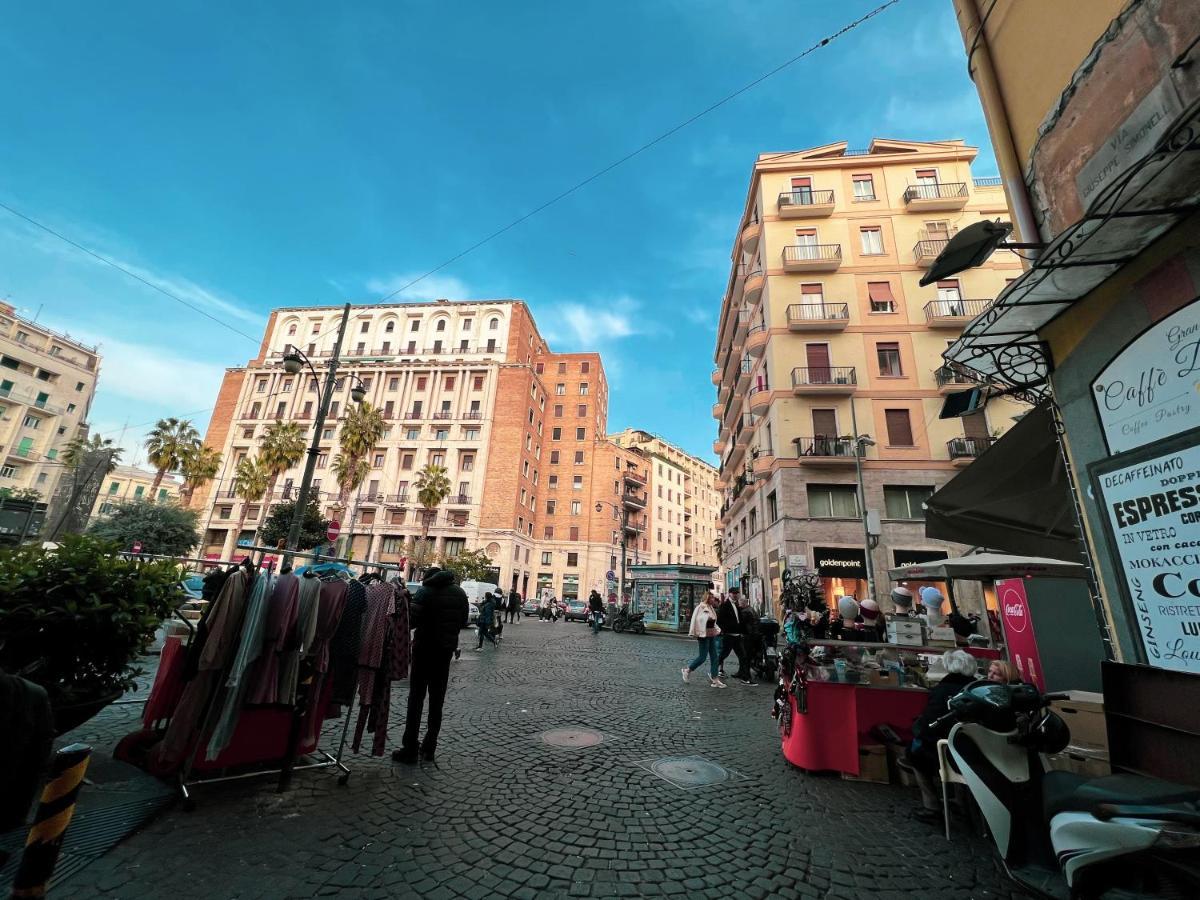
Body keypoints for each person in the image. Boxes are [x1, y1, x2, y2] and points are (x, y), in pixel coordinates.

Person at [393, 565, 468, 764]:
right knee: (437, 701)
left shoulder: (425, 592)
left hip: (424, 650)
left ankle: (409, 747)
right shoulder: (460, 593)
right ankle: (429, 747)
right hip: (444, 653)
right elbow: (463, 621)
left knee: (416, 699)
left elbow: (412, 621)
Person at [906, 649, 978, 823]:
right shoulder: (977, 689)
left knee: (914, 755)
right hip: (974, 750)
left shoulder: (942, 690)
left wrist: (919, 732)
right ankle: (960, 802)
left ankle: (931, 806)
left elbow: (931, 723)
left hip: (945, 749)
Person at [682, 592, 726, 688]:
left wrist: (717, 629)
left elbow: (713, 621)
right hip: (703, 635)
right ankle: (687, 670)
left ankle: (715, 679)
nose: (713, 600)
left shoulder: (710, 608)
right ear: (707, 598)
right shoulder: (700, 607)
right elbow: (696, 620)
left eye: (713, 598)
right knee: (702, 657)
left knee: (715, 657)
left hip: (711, 634)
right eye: (711, 598)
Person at [716, 589, 748, 681]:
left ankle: (743, 674)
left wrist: (743, 632)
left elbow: (739, 619)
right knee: (723, 655)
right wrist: (725, 630)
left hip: (737, 635)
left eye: (737, 593)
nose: (735, 595)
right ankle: (713, 670)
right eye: (733, 593)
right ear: (729, 594)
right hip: (729, 635)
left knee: (742, 655)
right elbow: (720, 620)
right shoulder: (725, 605)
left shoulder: (737, 605)